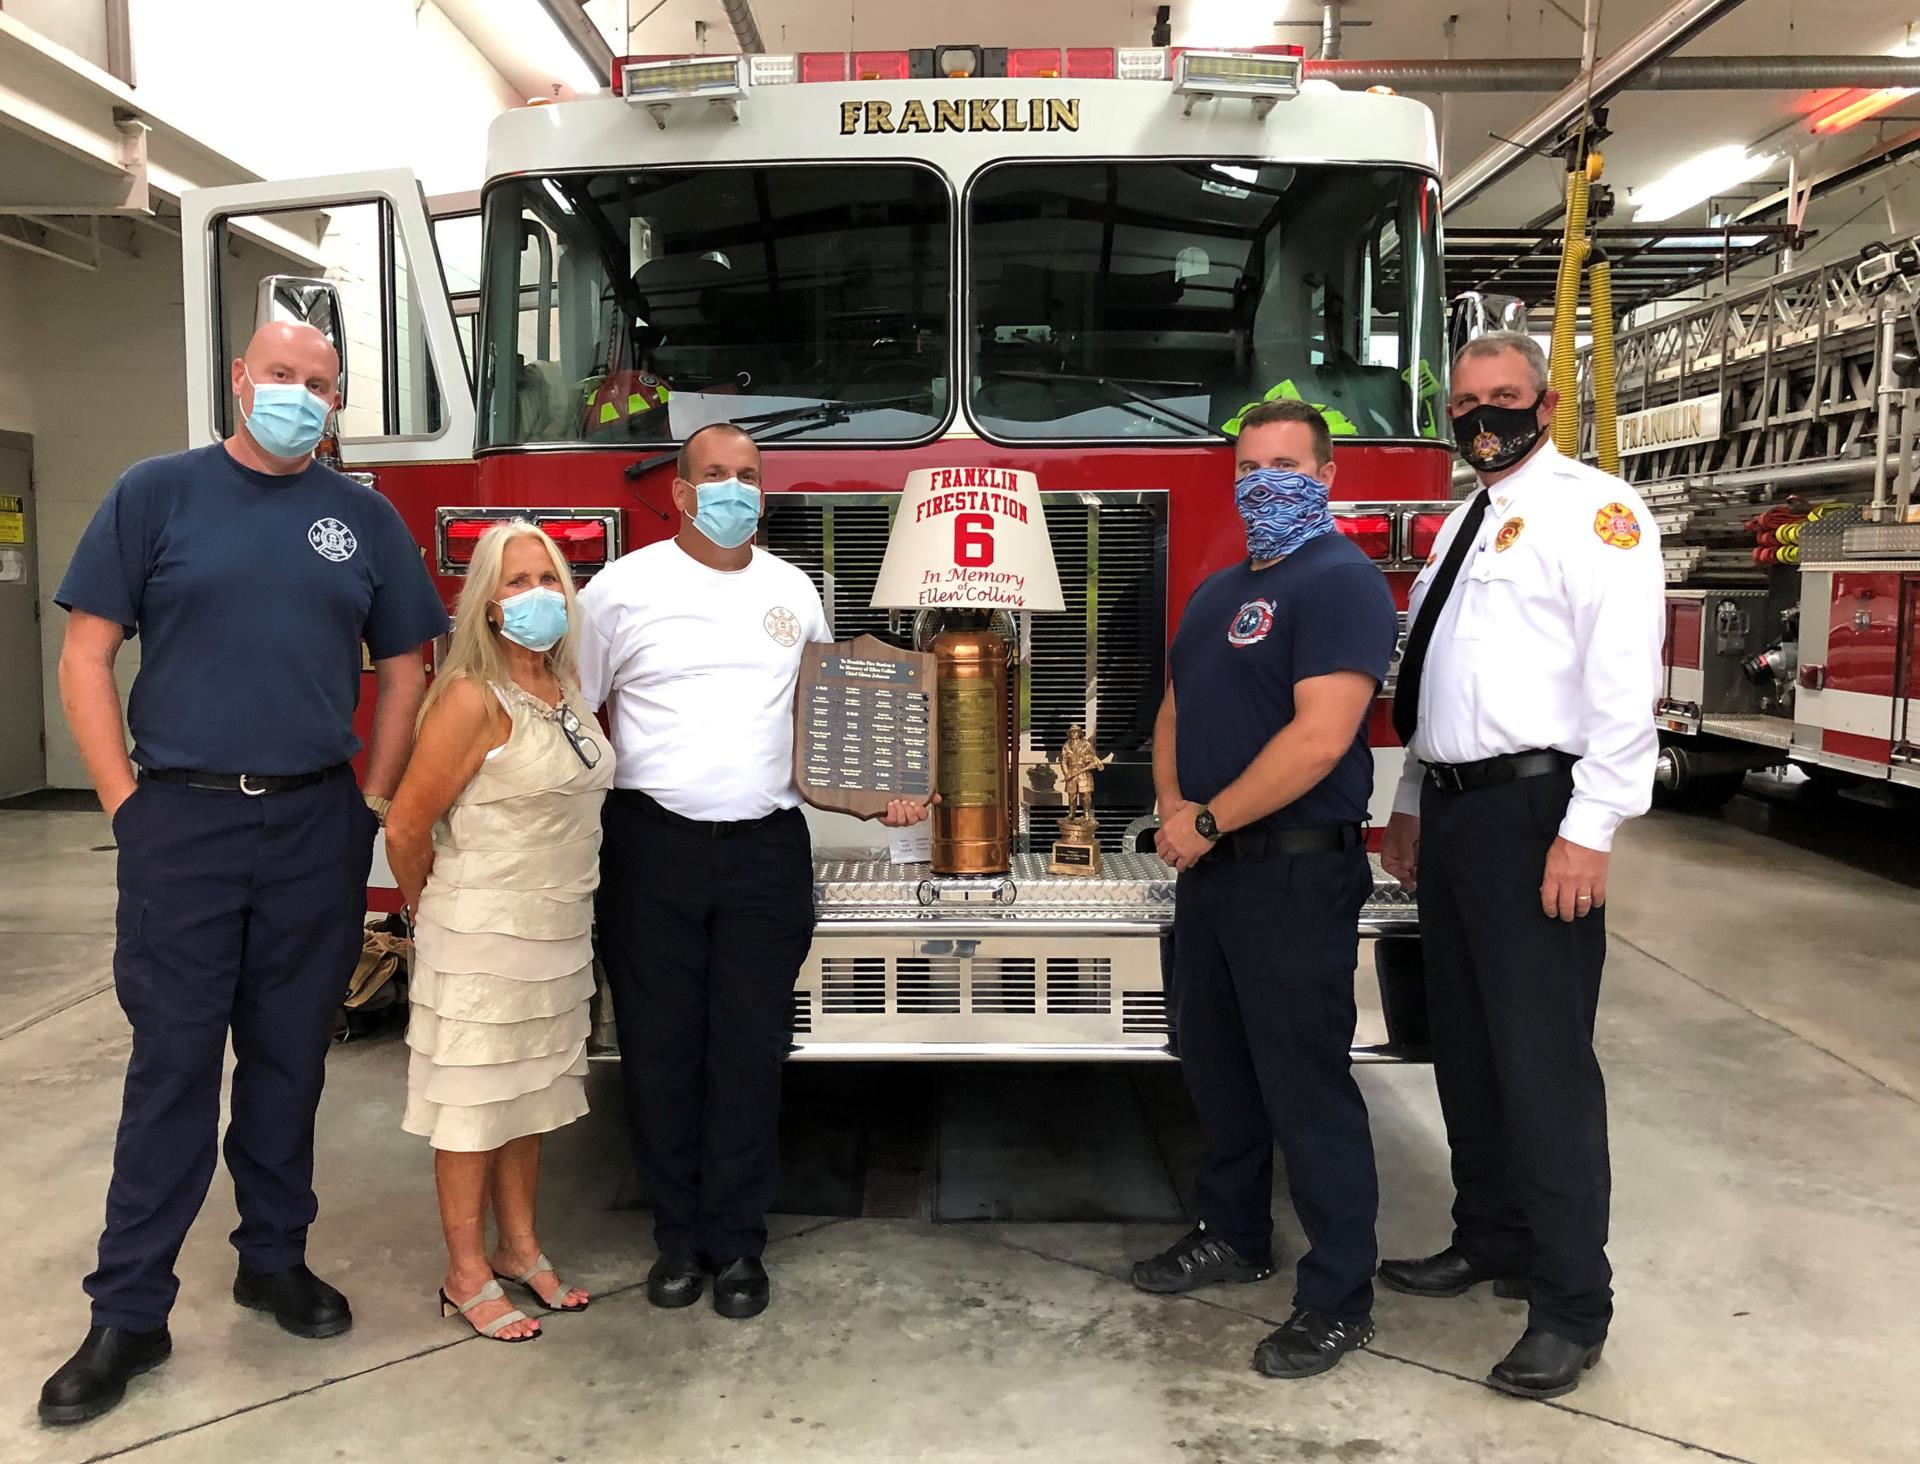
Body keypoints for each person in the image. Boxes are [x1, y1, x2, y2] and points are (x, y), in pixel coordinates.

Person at [40, 322, 448, 1426]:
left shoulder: (364, 520)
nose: (299, 398)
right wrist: (126, 802)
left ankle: (274, 1259)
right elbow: (87, 652)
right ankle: (129, 1309)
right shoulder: (156, 493)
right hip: (182, 818)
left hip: (316, 819)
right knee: (172, 1063)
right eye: (281, 378)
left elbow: (409, 663)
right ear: (239, 380)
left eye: (320, 387)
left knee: (287, 1061)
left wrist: (370, 796)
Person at [577, 421, 930, 1321]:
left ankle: (737, 1244)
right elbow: (576, 713)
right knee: (660, 1055)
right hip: (652, 846)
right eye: (714, 476)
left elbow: (822, 721)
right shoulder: (621, 589)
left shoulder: (793, 590)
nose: (733, 491)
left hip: (769, 852)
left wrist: (873, 796)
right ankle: (676, 1241)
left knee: (748, 1055)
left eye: (747, 476)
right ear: (682, 493)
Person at [1377, 330, 1663, 1400]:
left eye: (1503, 397)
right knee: (1464, 1045)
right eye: (1464, 401)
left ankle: (1571, 1302)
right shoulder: (1461, 519)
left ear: (1544, 404)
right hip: (1453, 816)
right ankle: (1488, 1235)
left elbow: (1625, 688)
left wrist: (1590, 828)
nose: (1481, 415)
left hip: (1540, 812)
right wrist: (1408, 800)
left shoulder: (1596, 514)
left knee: (1542, 1066)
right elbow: (1438, 686)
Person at [1134, 399, 1399, 1380]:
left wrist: (1205, 820)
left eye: (1288, 465)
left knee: (1306, 1085)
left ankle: (1339, 1295)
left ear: (1327, 477)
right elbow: (1173, 704)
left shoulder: (1341, 584)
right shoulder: (1220, 591)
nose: (1267, 483)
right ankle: (1234, 1234)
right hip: (1213, 876)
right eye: (1251, 468)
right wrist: (1171, 802)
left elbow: (1322, 737)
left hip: (1293, 873)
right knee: (1219, 1067)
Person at [384, 521, 612, 1343]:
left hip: (555, 935)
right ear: (484, 604)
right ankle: (464, 1269)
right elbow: (408, 827)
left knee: (528, 1099)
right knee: (473, 1108)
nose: (536, 595)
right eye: (515, 582)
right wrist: (429, 911)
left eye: (548, 578)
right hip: (481, 933)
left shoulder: (564, 688)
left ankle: (517, 1248)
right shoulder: (470, 699)